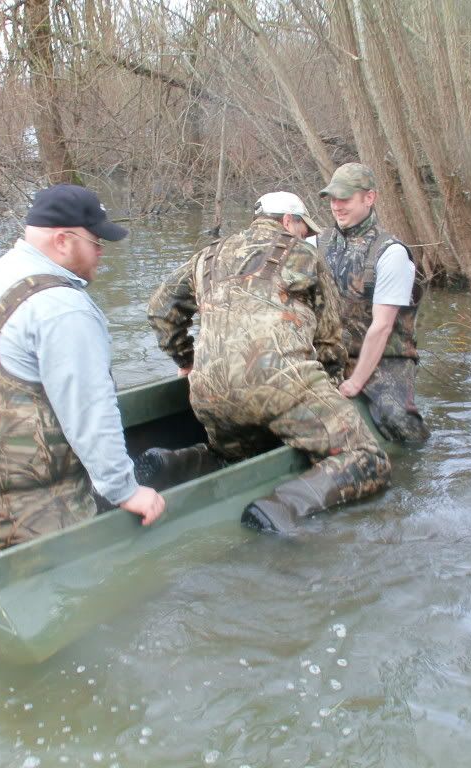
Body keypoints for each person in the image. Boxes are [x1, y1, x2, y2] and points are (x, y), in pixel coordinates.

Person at [0, 184, 165, 550]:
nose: (102, 252)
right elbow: (89, 409)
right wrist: (125, 491)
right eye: (96, 241)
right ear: (62, 241)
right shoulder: (63, 307)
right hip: (19, 508)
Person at [145, 191, 391, 534]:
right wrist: (331, 392)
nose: (306, 237)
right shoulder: (304, 254)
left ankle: (173, 464)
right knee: (367, 459)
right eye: (304, 229)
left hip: (209, 391)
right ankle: (281, 507)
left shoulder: (207, 256)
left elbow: (159, 309)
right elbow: (331, 341)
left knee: (233, 457)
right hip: (280, 381)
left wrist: (186, 361)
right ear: (289, 221)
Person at [318, 162, 430, 443]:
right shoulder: (318, 243)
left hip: (385, 357)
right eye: (333, 199)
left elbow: (381, 327)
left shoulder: (390, 253)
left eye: (345, 198)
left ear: (369, 198)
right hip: (332, 351)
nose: (336, 206)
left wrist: (356, 382)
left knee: (399, 423)